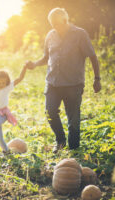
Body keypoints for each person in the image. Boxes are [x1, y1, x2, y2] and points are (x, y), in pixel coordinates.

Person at [25, 8, 101, 153]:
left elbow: (92, 56)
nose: (54, 27)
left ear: (65, 21)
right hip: (53, 82)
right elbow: (46, 57)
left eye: (57, 24)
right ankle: (60, 141)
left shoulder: (80, 34)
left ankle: (74, 150)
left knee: (73, 120)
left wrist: (97, 79)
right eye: (52, 24)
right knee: (50, 112)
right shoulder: (50, 35)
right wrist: (34, 64)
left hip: (73, 84)